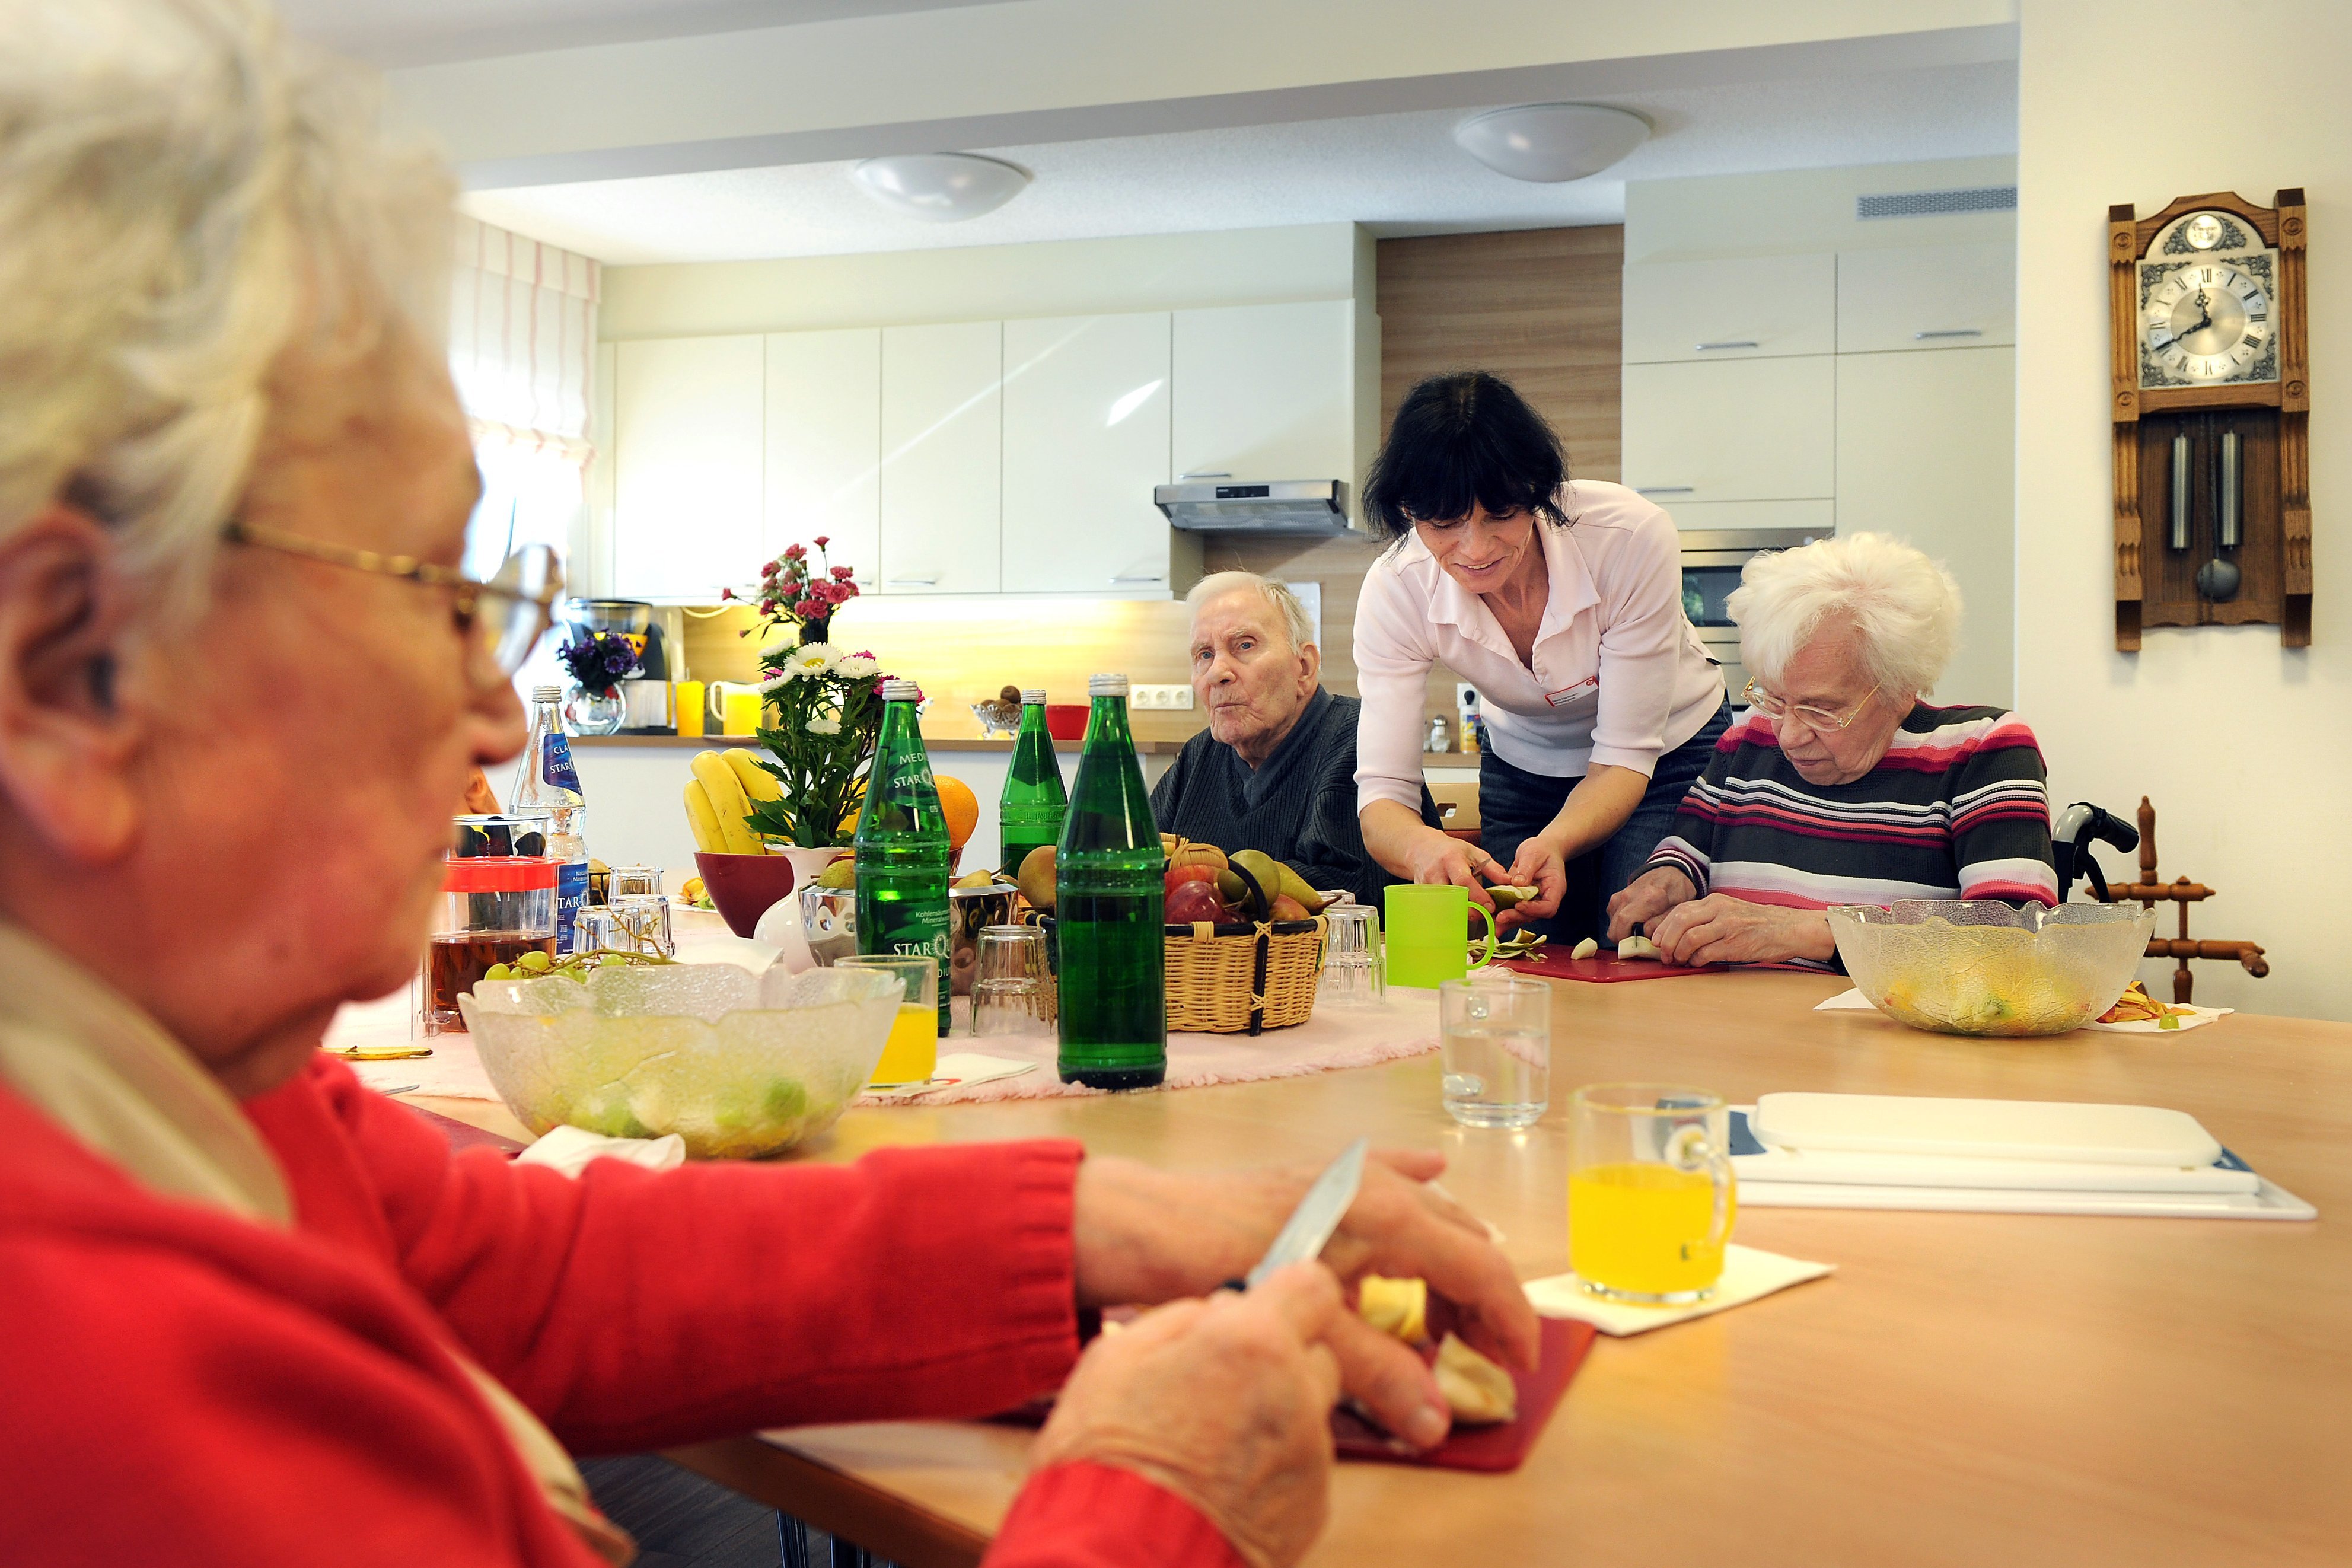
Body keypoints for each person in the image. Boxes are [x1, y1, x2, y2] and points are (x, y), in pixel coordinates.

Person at [0, 7, 1538, 1567]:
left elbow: (539, 1265)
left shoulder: (185, 1084)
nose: (490, 711)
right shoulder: (86, 1391)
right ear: (73, 676)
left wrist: (1133, 1221)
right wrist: (1156, 1494)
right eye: (434, 594)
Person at [1352, 372, 1733, 942]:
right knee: (1519, 946)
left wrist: (1557, 840)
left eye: (1501, 514)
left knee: (1631, 934)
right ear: (1409, 511)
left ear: (1537, 490)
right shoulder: (1396, 588)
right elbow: (1383, 794)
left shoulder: (1626, 538)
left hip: (1667, 752)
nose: (1476, 549)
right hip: (1526, 764)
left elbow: (1625, 755)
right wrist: (1423, 847)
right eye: (1444, 523)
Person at [1607, 533, 2058, 968]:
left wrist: (1802, 933)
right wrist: (1666, 880)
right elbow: (1688, 854)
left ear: (1901, 688)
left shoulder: (1983, 751)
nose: (1789, 736)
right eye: (1776, 699)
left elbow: (2012, 942)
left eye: (1822, 710)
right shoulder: (1748, 741)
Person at [1150, 572, 1436, 905]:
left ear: (1304, 667)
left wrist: (1196, 885)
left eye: (1244, 645)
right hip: (1208, 959)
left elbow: (1345, 894)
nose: (1217, 673)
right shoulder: (1197, 756)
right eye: (1204, 655)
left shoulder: (1358, 737)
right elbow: (1135, 863)